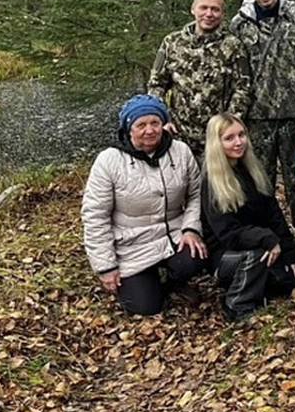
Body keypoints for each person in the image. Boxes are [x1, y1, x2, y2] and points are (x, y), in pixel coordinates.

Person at [81, 94, 207, 316]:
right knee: (144, 307)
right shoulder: (109, 161)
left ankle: (174, 282)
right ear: (129, 128)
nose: (149, 130)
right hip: (131, 244)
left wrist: (190, 229)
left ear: (163, 124)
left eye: (155, 123)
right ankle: (147, 283)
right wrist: (106, 266)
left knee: (196, 258)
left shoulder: (180, 151)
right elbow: (95, 216)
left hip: (173, 235)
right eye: (141, 125)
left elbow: (195, 194)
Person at [229, 0, 295, 232]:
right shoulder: (238, 25)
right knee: (260, 180)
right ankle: (268, 234)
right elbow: (235, 70)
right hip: (258, 117)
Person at [202, 113, 295, 322]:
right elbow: (228, 235)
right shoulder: (212, 183)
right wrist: (267, 239)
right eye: (229, 138)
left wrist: (289, 252)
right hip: (226, 254)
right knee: (256, 256)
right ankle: (236, 304)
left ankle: (259, 282)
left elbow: (274, 214)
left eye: (241, 135)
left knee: (293, 279)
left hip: (262, 243)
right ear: (217, 143)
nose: (238, 142)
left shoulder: (252, 169)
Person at [148, 0, 251, 157]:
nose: (209, 14)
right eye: (203, 8)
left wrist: (229, 126)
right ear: (193, 9)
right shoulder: (172, 43)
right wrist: (161, 120)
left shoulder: (233, 46)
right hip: (178, 137)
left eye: (215, 9)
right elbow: (156, 84)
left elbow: (243, 88)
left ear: (222, 13)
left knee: (217, 183)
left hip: (217, 139)